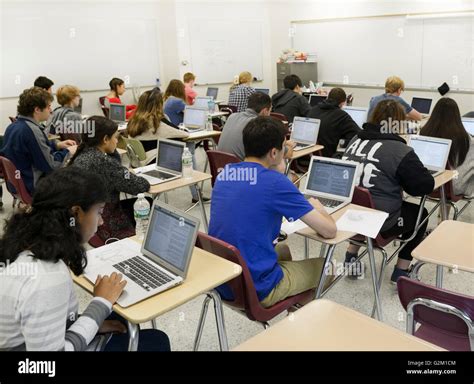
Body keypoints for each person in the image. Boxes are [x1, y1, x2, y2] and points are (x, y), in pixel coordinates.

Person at [0, 167, 170, 351]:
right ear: (76, 213)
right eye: (99, 212)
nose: (102, 221)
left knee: (118, 317)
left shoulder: (23, 245)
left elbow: (37, 320)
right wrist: (100, 304)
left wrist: (90, 322)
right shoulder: (47, 277)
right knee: (157, 341)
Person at [209, 116, 337, 307]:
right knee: (331, 267)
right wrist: (321, 209)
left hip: (224, 280)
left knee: (283, 249)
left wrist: (277, 167)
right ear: (274, 152)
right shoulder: (276, 183)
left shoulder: (226, 172)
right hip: (255, 289)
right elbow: (329, 231)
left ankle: (294, 301)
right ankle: (298, 311)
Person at [342, 99, 434, 283]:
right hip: (380, 222)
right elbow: (423, 187)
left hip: (348, 215)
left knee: (363, 198)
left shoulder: (355, 140)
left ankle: (350, 258)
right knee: (421, 214)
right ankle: (401, 271)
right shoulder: (399, 150)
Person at [69, 116, 150, 242]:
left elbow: (116, 171)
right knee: (147, 202)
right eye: (115, 137)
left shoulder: (82, 154)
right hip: (106, 219)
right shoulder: (102, 161)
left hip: (85, 215)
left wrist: (112, 155)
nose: (117, 141)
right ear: (105, 139)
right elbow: (141, 186)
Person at [0, 87, 77, 195]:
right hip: (33, 186)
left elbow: (36, 147)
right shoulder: (31, 130)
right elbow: (51, 165)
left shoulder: (13, 126)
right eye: (48, 106)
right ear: (37, 109)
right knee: (79, 180)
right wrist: (68, 151)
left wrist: (58, 145)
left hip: (17, 184)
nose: (51, 110)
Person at [218, 92, 296, 167]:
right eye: (270, 110)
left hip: (221, 168)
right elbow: (287, 153)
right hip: (246, 173)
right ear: (265, 111)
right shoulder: (258, 126)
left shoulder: (232, 116)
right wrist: (289, 145)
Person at [420, 97, 473, 198]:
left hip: (425, 183)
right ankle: (444, 212)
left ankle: (443, 211)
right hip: (453, 187)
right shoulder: (466, 139)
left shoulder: (423, 133)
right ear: (457, 116)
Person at [307, 87, 361, 157]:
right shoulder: (341, 115)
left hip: (307, 155)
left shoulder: (312, 110)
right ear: (342, 103)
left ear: (327, 97)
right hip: (327, 157)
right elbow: (358, 134)